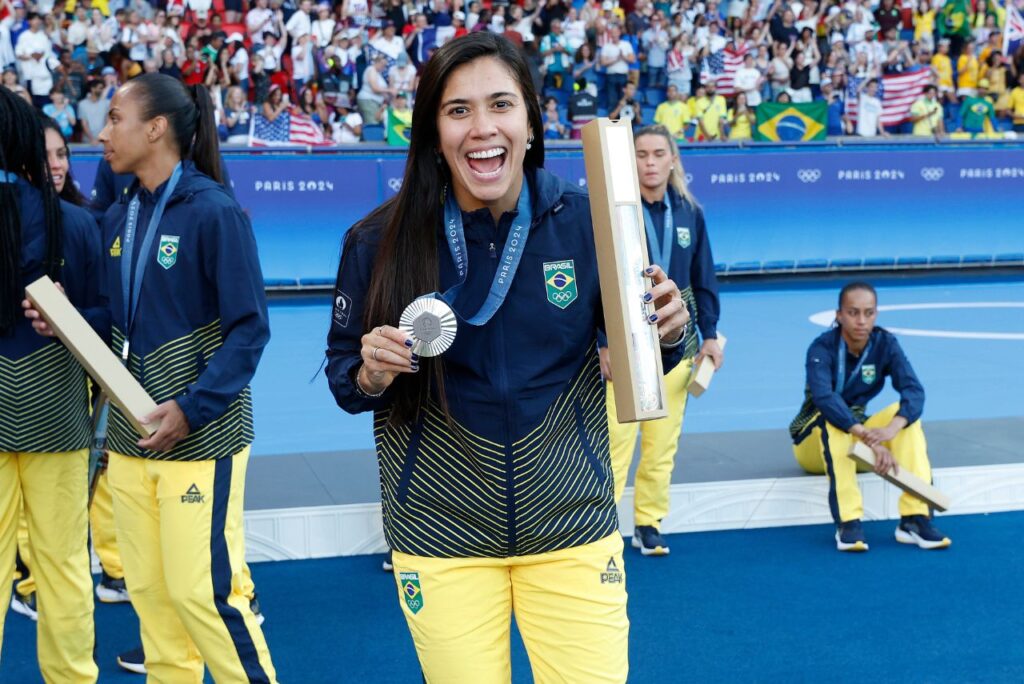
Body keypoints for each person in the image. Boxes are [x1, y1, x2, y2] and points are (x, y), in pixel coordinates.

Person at [325, 32, 689, 682]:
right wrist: (370, 371)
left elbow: (642, 366)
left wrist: (665, 333)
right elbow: (344, 383)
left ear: (531, 121)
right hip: (441, 536)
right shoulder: (378, 241)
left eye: (500, 105)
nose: (481, 128)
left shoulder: (589, 222)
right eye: (458, 110)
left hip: (573, 524)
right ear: (433, 129)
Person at [26, 72, 278, 682]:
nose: (103, 132)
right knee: (155, 603)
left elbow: (250, 330)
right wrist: (67, 321)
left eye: (115, 119)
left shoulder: (214, 211)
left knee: (205, 599)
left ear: (156, 128)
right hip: (132, 440)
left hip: (200, 439)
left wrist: (191, 409)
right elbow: (118, 318)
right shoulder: (122, 215)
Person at [1, 84, 100, 684]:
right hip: (56, 416)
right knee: (63, 564)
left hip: (42, 416)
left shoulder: (75, 224)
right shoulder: (73, 225)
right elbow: (111, 326)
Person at [603, 125, 722, 556]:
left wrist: (709, 335)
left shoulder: (690, 211)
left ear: (673, 160)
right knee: (616, 442)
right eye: (640, 154)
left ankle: (649, 522)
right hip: (624, 341)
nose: (650, 163)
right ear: (628, 161)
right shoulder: (617, 211)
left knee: (662, 443)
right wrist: (602, 343)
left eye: (658, 154)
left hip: (679, 341)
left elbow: (704, 279)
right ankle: (603, 526)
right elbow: (600, 279)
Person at [789, 282, 952, 552]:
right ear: (839, 315)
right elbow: (825, 399)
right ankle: (849, 522)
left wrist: (890, 429)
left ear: (876, 314)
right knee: (834, 423)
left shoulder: (885, 343)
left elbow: (913, 390)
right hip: (813, 444)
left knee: (907, 421)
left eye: (868, 313)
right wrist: (869, 438)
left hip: (860, 441)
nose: (861, 321)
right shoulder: (821, 349)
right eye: (853, 313)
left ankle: (915, 517)